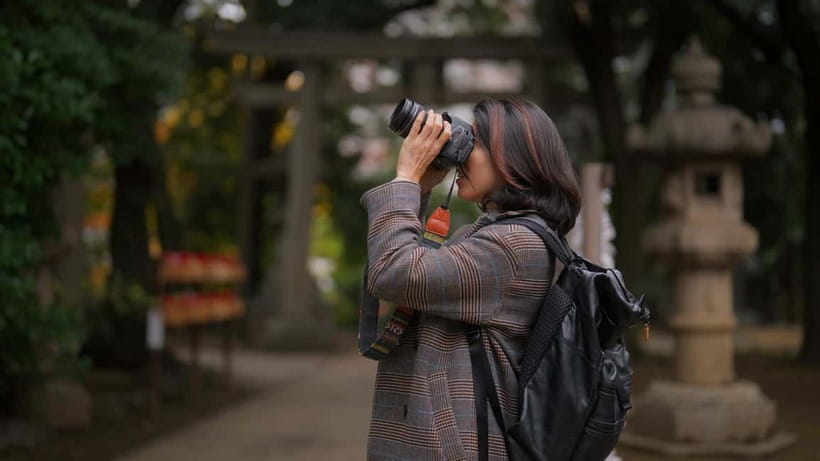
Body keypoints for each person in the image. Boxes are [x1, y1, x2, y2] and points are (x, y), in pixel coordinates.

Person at [360, 98, 582, 460]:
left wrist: (407, 179)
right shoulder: (500, 234)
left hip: (460, 447)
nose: (460, 154)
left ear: (513, 158)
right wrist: (420, 188)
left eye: (473, 142)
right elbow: (411, 276)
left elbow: (395, 273)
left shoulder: (514, 245)